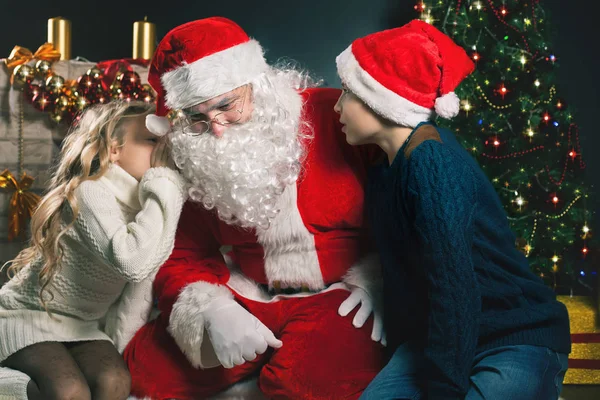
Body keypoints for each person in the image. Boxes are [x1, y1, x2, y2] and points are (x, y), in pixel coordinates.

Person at [124, 17, 385, 400]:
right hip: (251, 293)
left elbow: (407, 210)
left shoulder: (337, 115)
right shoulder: (197, 151)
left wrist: (381, 283)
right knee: (143, 369)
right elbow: (183, 251)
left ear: (257, 84)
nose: (215, 128)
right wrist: (210, 309)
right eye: (197, 116)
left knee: (300, 386)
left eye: (226, 105)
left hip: (340, 294)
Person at [333, 19, 571, 400]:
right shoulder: (383, 167)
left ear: (381, 99)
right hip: (438, 338)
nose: (337, 105)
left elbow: (454, 288)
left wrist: (442, 391)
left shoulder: (432, 162)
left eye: (347, 92)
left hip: (513, 335)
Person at [0, 101, 187, 400]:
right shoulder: (90, 191)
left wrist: (120, 340)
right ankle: (10, 387)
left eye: (165, 142)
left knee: (114, 383)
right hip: (29, 316)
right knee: (69, 391)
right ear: (114, 149)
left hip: (83, 326)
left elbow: (140, 288)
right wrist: (167, 183)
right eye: (151, 140)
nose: (162, 150)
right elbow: (133, 262)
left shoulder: (151, 205)